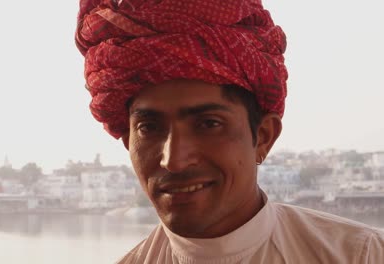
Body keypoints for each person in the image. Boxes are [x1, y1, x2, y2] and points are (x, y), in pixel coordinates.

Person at [75, 0, 384, 263]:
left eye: (208, 124)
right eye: (150, 127)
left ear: (263, 136)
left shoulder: (361, 255)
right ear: (128, 141)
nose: (174, 160)